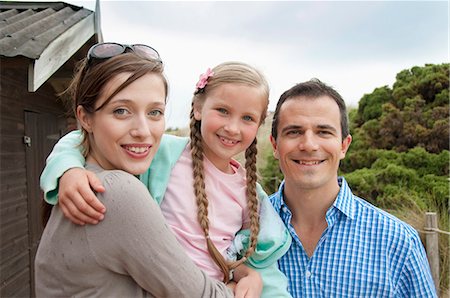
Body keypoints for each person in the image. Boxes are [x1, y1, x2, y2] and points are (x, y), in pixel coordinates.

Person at [40, 61, 292, 297]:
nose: (232, 127)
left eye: (247, 118)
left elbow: (251, 258)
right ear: (198, 108)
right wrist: (68, 169)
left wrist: (247, 273)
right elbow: (81, 138)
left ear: (259, 124)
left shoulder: (249, 192)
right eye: (223, 111)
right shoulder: (163, 154)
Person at [268, 79, 437, 297]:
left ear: (344, 145)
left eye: (323, 132)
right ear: (275, 145)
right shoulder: (243, 229)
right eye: (294, 132)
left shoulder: (398, 243)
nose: (309, 145)